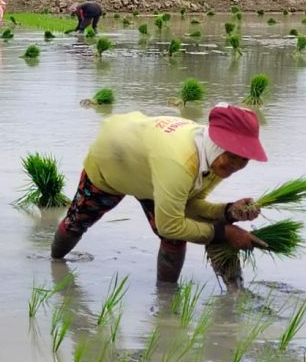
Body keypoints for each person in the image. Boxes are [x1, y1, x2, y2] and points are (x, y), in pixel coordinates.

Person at [51, 104, 268, 287]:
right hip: (112, 160)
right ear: (215, 143)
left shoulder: (217, 161)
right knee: (77, 222)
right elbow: (170, 225)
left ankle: (166, 298)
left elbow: (190, 204)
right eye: (233, 157)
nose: (237, 165)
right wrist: (225, 232)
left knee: (175, 238)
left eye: (244, 159)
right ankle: (54, 265)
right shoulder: (179, 162)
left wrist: (228, 211)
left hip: (154, 171)